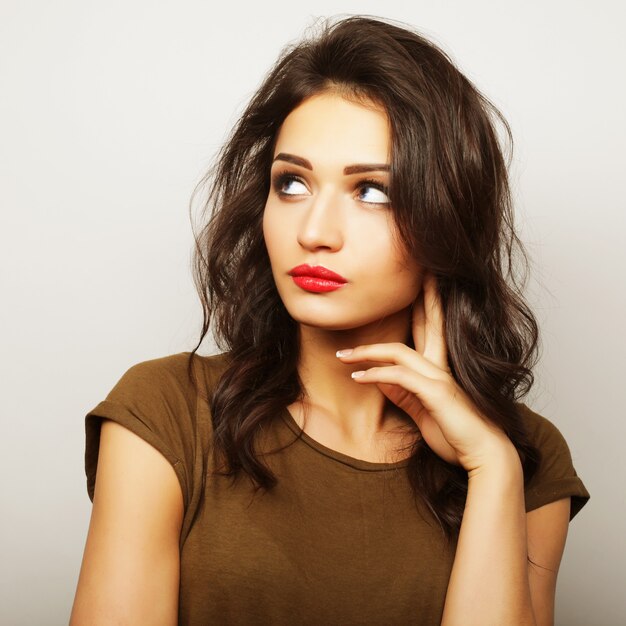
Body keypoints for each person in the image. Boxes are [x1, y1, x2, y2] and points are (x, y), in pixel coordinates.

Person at [70, 14, 590, 626]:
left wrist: (492, 467)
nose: (314, 233)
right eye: (291, 184)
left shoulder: (525, 455)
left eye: (372, 192)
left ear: (445, 217)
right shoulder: (164, 412)